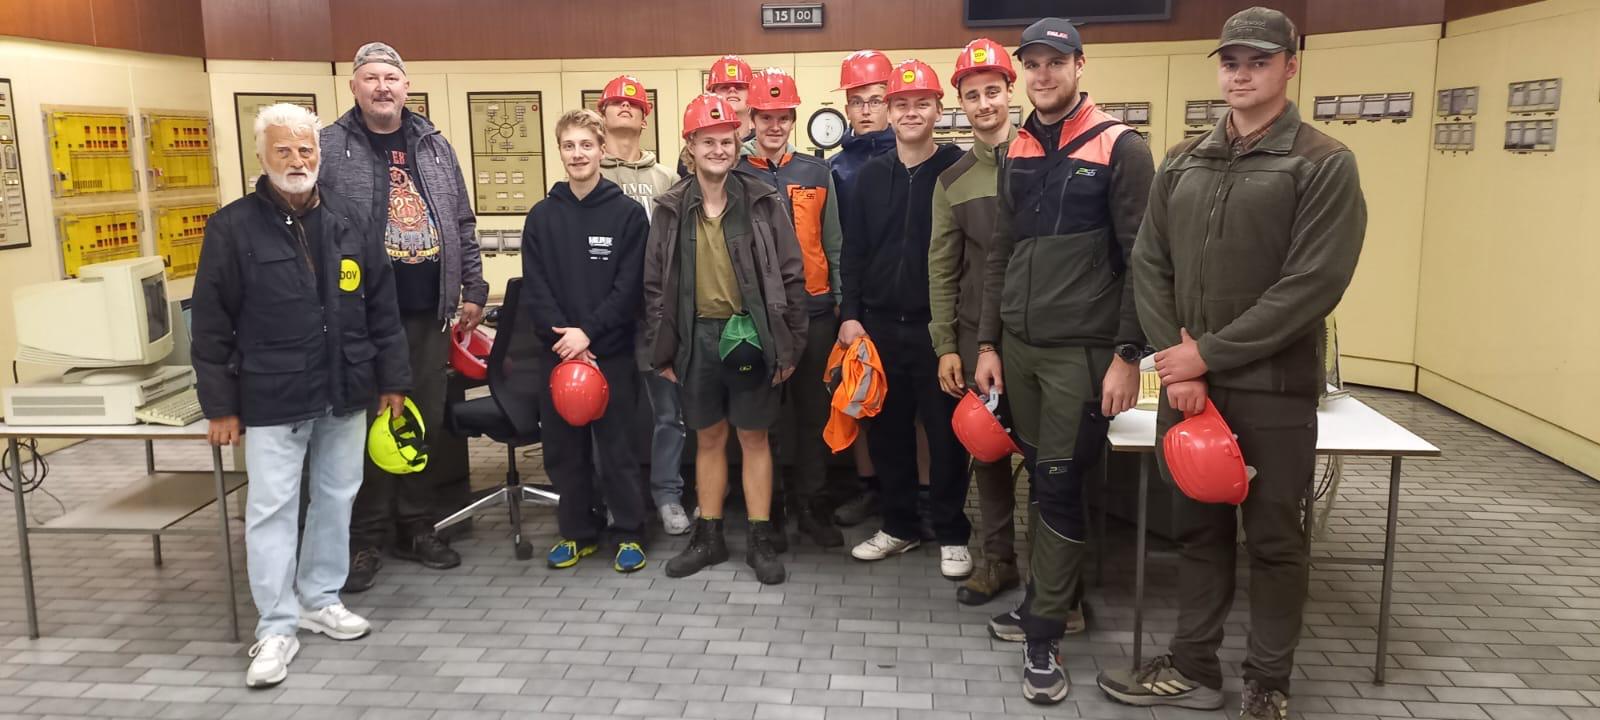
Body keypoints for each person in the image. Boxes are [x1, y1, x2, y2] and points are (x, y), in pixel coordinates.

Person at [1097, 9, 1366, 720]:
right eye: (1231, 62)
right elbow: (1149, 264)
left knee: (1275, 541)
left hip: (1273, 391)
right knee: (1199, 531)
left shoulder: (1322, 162)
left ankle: (1268, 684)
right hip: (1190, 391)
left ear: (1290, 66)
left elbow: (1312, 285)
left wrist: (1206, 354)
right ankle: (1193, 668)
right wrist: (1180, 367)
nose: (1241, 74)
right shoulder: (1184, 160)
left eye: (1258, 61)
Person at [192, 103, 410, 689]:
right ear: (261, 156)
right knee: (272, 511)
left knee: (337, 498)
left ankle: (319, 598)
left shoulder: (349, 220)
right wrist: (220, 405)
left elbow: (382, 308)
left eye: (305, 149)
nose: (296, 160)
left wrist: (393, 380)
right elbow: (210, 324)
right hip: (272, 394)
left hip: (346, 388)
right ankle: (276, 625)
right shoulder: (232, 227)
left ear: (319, 153)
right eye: (283, 150)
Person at [970, 17, 1154, 705]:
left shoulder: (1120, 146)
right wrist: (988, 343)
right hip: (1019, 348)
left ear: (1080, 65)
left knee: (1056, 480)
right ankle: (1053, 602)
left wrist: (1127, 355)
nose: (1042, 75)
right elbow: (1003, 252)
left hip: (1081, 350)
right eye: (1033, 64)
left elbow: (1143, 260)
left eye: (1055, 62)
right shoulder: (1018, 146)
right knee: (1043, 479)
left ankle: (1044, 635)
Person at [320, 42, 489, 592]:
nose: (381, 87)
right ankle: (366, 537)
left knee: (422, 421)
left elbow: (462, 221)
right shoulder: (330, 146)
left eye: (390, 78)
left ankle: (417, 526)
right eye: (370, 78)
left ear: (406, 86)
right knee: (368, 424)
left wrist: (473, 287)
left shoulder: (434, 144)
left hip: (428, 314)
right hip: (363, 318)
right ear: (354, 87)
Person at [640, 94, 807, 585]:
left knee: (754, 437)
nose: (718, 150)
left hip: (750, 335)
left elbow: (791, 275)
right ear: (690, 146)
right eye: (707, 141)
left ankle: (759, 538)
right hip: (696, 339)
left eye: (726, 142)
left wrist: (790, 344)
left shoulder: (762, 201)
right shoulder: (671, 208)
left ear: (738, 146)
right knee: (708, 437)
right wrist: (662, 346)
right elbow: (654, 285)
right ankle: (708, 537)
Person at [837, 60, 970, 577]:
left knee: (945, 436)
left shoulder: (957, 170)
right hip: (879, 328)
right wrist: (851, 316)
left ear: (939, 109)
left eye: (922, 103)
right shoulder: (870, 176)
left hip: (939, 331)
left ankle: (953, 533)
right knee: (888, 433)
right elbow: (854, 251)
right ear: (889, 112)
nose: (911, 112)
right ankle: (899, 526)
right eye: (901, 104)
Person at [520, 109, 650, 573]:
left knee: (618, 448)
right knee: (564, 451)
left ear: (602, 150)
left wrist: (588, 334)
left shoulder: (628, 215)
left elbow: (629, 288)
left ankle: (629, 532)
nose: (578, 154)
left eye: (586, 145)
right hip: (558, 355)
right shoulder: (541, 217)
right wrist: (566, 339)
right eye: (569, 146)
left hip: (609, 353)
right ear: (559, 151)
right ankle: (578, 532)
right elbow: (535, 286)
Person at [927, 38, 1022, 607]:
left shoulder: (1043, 160)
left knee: (1050, 459)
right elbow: (942, 269)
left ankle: (1061, 581)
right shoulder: (954, 180)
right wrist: (946, 344)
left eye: (993, 91)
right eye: (972, 94)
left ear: (1010, 91)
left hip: (1037, 337)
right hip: (971, 334)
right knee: (987, 452)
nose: (984, 104)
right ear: (960, 103)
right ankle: (997, 561)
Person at [737, 68, 847, 549]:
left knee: (813, 413)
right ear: (753, 119)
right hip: (759, 317)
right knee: (767, 416)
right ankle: (774, 507)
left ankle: (811, 505)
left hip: (816, 312)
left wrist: (842, 304)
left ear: (793, 119)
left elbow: (834, 243)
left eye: (783, 117)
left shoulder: (817, 173)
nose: (775, 126)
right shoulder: (737, 175)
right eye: (766, 117)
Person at [595, 74, 693, 536]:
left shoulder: (666, 179)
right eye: (615, 102)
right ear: (602, 114)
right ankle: (615, 498)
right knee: (610, 412)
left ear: (644, 117)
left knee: (668, 413)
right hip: (608, 315)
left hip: (658, 315)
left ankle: (667, 495)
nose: (625, 108)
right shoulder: (591, 172)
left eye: (633, 104)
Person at [827, 49, 897, 528]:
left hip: (908, 303)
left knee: (913, 408)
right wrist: (844, 305)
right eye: (857, 101)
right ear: (846, 108)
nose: (866, 110)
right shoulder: (835, 169)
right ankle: (869, 488)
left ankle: (919, 496)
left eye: (875, 99)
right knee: (859, 396)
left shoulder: (917, 159)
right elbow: (835, 245)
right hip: (857, 304)